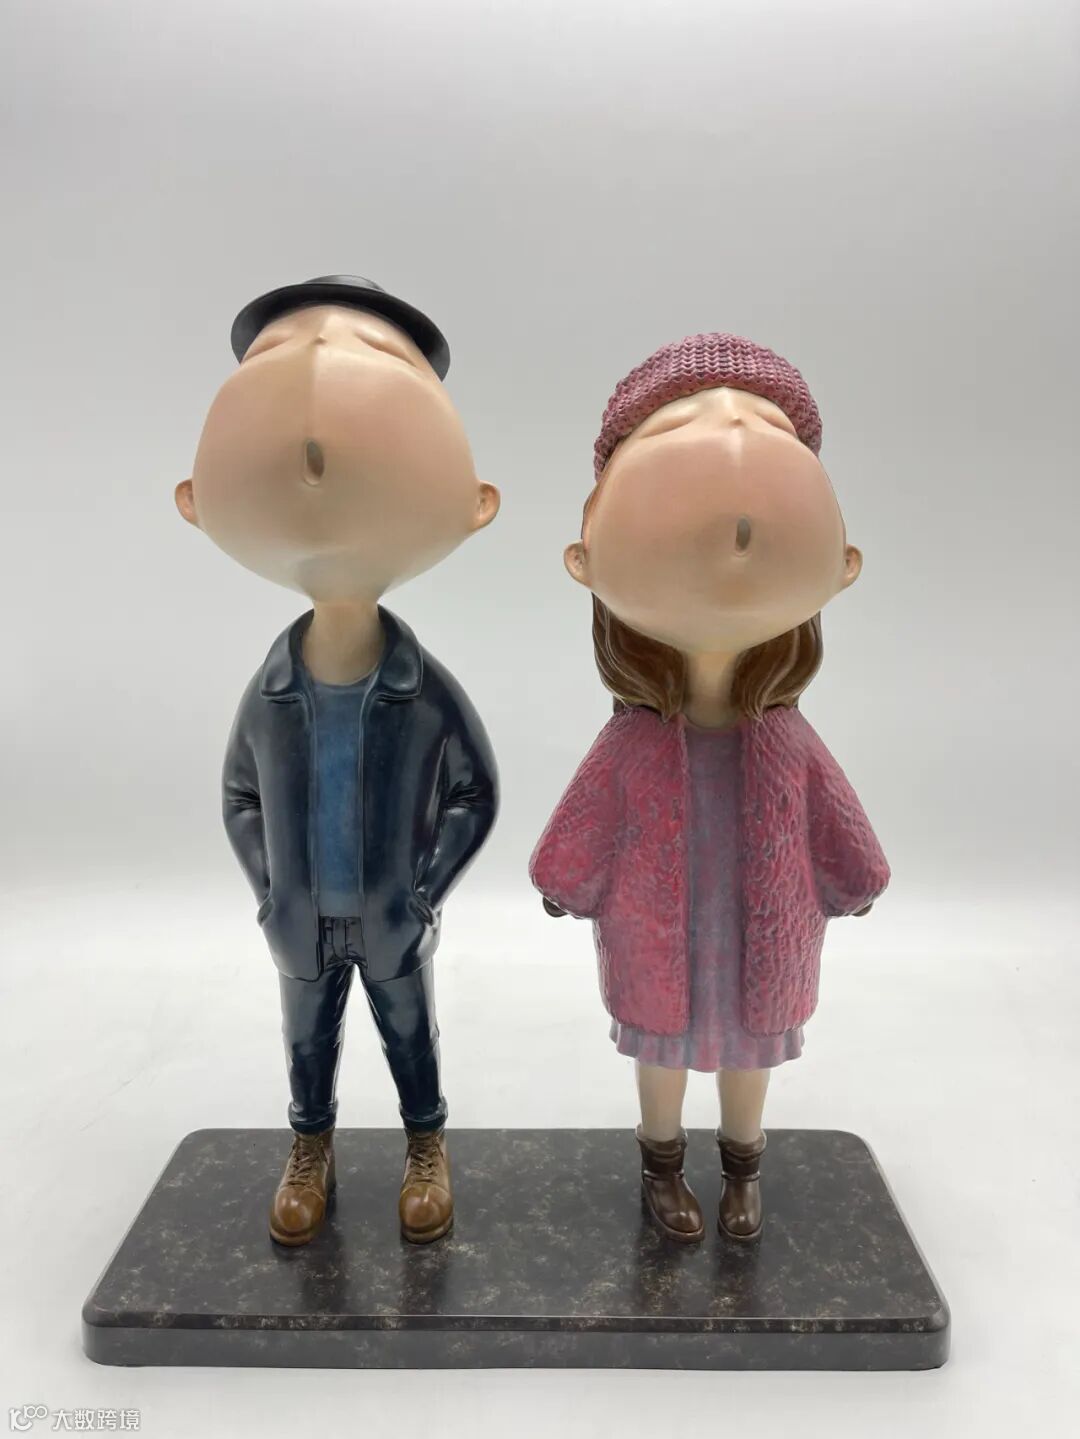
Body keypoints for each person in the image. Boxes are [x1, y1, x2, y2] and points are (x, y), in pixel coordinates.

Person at [529, 332, 889, 1243]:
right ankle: (661, 1165)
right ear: (588, 556)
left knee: (747, 1055)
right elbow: (589, 811)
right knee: (659, 1050)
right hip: (658, 927)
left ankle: (741, 1168)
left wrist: (856, 876)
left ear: (841, 563)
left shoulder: (787, 740)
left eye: (764, 432)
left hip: (762, 930)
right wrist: (563, 875)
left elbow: (834, 815)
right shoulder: (635, 741)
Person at [175, 275, 500, 1246]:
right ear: (194, 501)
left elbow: (475, 792)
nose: (320, 371)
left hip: (393, 913)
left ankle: (425, 1144)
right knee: (306, 1041)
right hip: (302, 917)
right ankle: (308, 1146)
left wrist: (426, 886)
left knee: (410, 1034)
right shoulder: (274, 689)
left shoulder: (422, 688)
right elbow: (239, 792)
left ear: (476, 503)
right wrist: (271, 882)